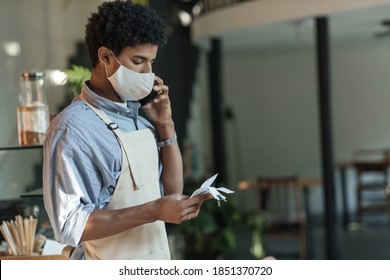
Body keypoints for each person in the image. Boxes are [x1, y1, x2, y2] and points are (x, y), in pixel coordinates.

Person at [43, 0, 211, 260]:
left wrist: (166, 126)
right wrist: (153, 211)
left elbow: (169, 194)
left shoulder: (140, 119)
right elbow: (69, 224)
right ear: (105, 57)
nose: (148, 72)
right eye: (138, 61)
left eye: (151, 62)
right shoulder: (72, 128)